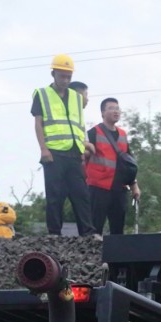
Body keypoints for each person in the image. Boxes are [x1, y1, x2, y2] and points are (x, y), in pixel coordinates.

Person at [32, 55, 95, 235]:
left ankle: (88, 232)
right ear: (53, 74)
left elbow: (79, 124)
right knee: (55, 196)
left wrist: (83, 147)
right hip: (54, 152)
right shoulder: (42, 94)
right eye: (62, 76)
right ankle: (54, 233)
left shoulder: (76, 98)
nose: (65, 80)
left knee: (81, 194)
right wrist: (43, 149)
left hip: (74, 152)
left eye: (68, 76)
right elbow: (38, 123)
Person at [86, 97, 141, 234]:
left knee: (118, 229)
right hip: (98, 187)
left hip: (119, 189)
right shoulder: (94, 132)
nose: (115, 111)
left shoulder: (123, 134)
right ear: (102, 113)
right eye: (111, 108)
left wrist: (134, 185)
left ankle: (117, 255)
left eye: (117, 108)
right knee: (95, 227)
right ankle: (94, 254)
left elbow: (128, 163)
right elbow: (84, 154)